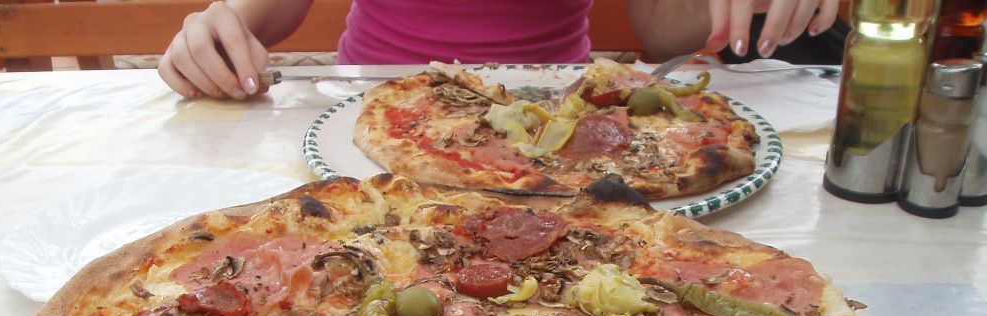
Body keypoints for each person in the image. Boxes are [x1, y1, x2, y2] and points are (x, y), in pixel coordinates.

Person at [159, 0, 841, 100]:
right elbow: (268, 11)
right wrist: (219, 29)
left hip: (556, 117)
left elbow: (663, 31)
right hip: (371, 107)